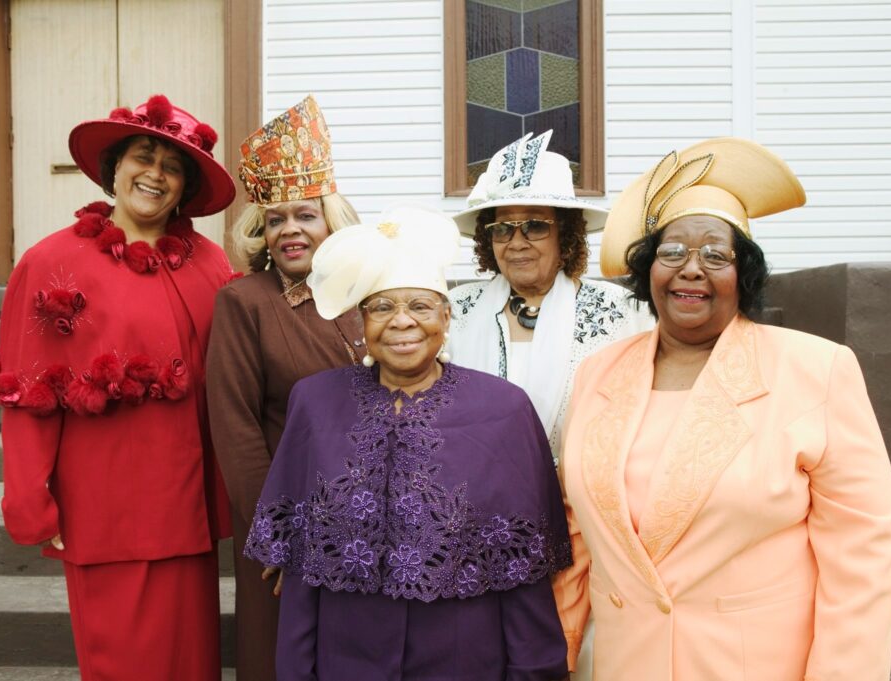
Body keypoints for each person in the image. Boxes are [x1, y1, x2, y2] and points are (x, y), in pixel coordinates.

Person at [555, 137, 891, 680]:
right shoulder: (598, 373)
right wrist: (560, 650)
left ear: (746, 276)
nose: (692, 268)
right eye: (672, 252)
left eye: (716, 254)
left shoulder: (816, 369)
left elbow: (863, 555)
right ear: (648, 270)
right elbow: (575, 530)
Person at [244, 207, 572, 680]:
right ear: (362, 320)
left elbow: (523, 571)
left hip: (465, 657)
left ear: (446, 314)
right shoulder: (314, 403)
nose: (402, 322)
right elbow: (302, 568)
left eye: (419, 306)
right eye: (382, 307)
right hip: (346, 657)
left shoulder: (504, 410)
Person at [0, 94, 237, 680]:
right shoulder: (50, 263)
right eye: (142, 158)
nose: (155, 175)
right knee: (126, 661)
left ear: (186, 186)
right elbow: (27, 392)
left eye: (172, 167)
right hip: (105, 507)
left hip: (190, 506)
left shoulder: (210, 263)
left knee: (192, 662)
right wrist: (30, 497)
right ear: (113, 169)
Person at [206, 94, 363, 681]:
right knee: (284, 658)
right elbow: (236, 427)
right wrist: (272, 534)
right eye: (275, 219)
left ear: (332, 219)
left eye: (305, 215)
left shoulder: (367, 297)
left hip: (373, 517)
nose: (291, 230)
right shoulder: (243, 302)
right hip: (288, 521)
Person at [449, 131, 654, 460]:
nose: (517, 242)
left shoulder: (624, 313)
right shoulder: (456, 311)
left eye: (535, 225)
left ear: (565, 232)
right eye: (502, 228)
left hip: (576, 501)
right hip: (475, 497)